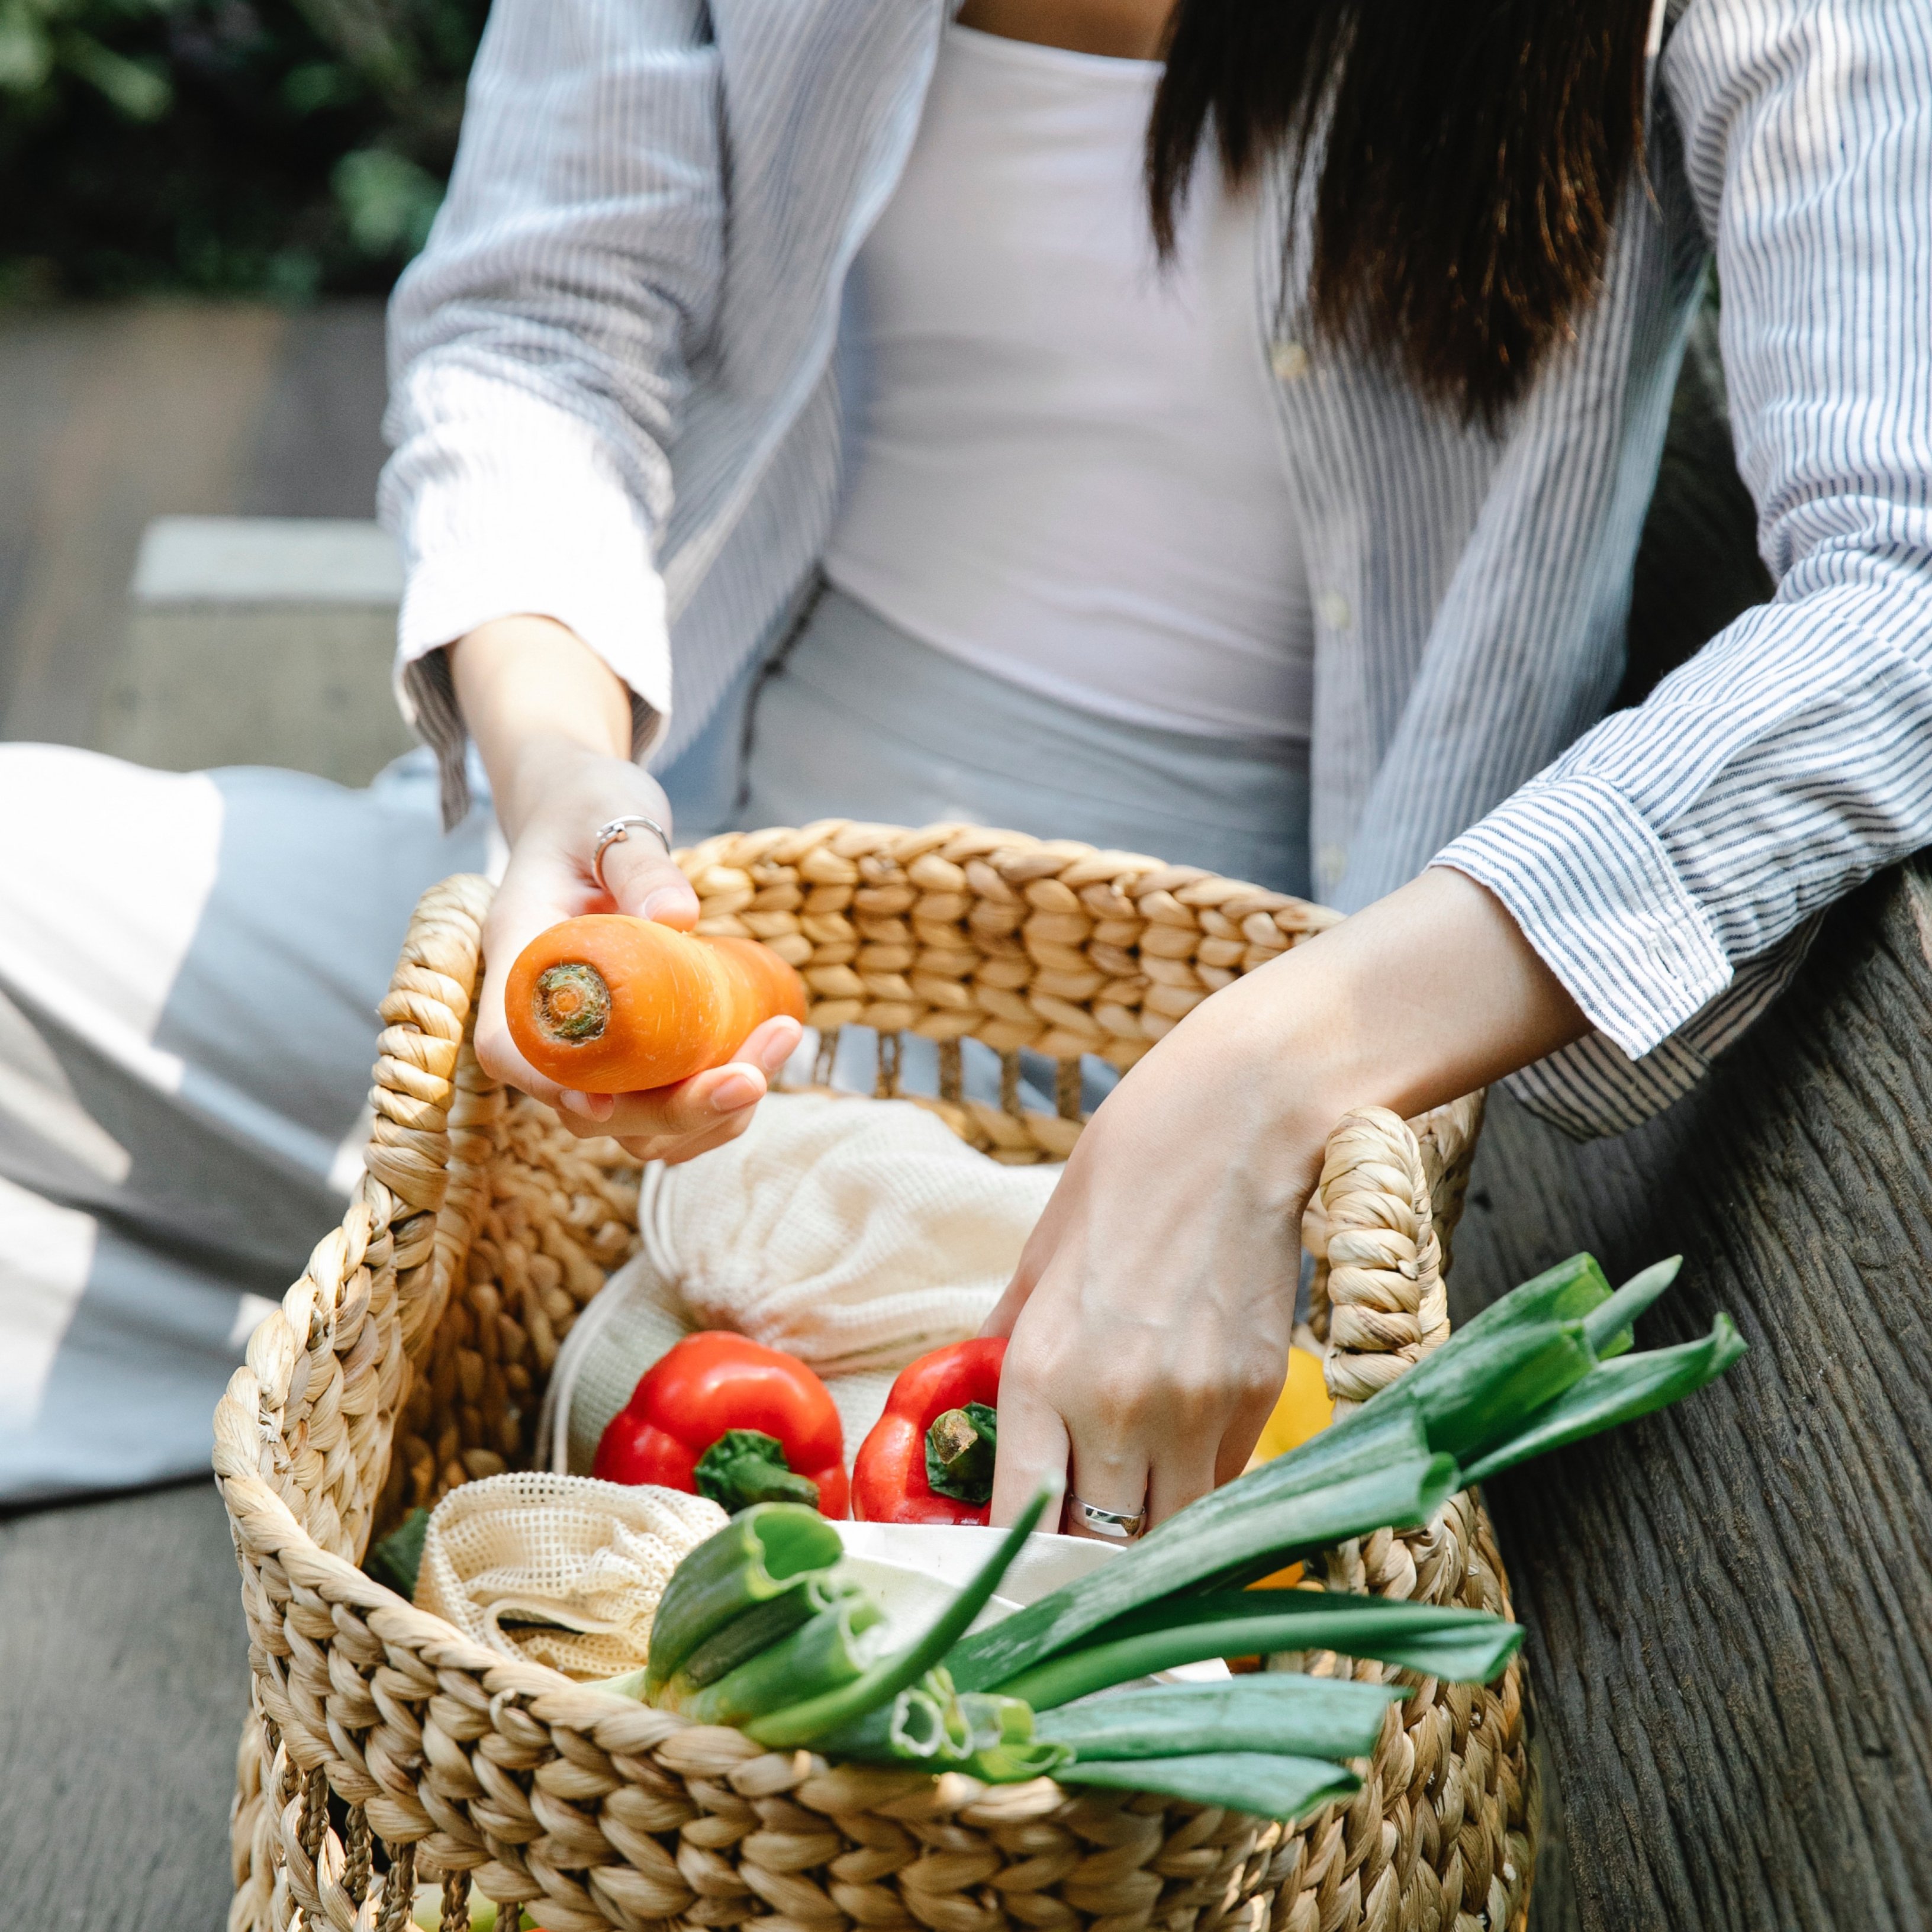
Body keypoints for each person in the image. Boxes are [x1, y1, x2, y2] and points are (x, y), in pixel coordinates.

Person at [2, 0, 1925, 1527]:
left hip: (1162, 1104)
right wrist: (559, 771)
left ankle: (389, 1347)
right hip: (688, 925)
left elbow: (1901, 598)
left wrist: (1265, 1082)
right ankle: (396, 1339)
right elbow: (544, 320)